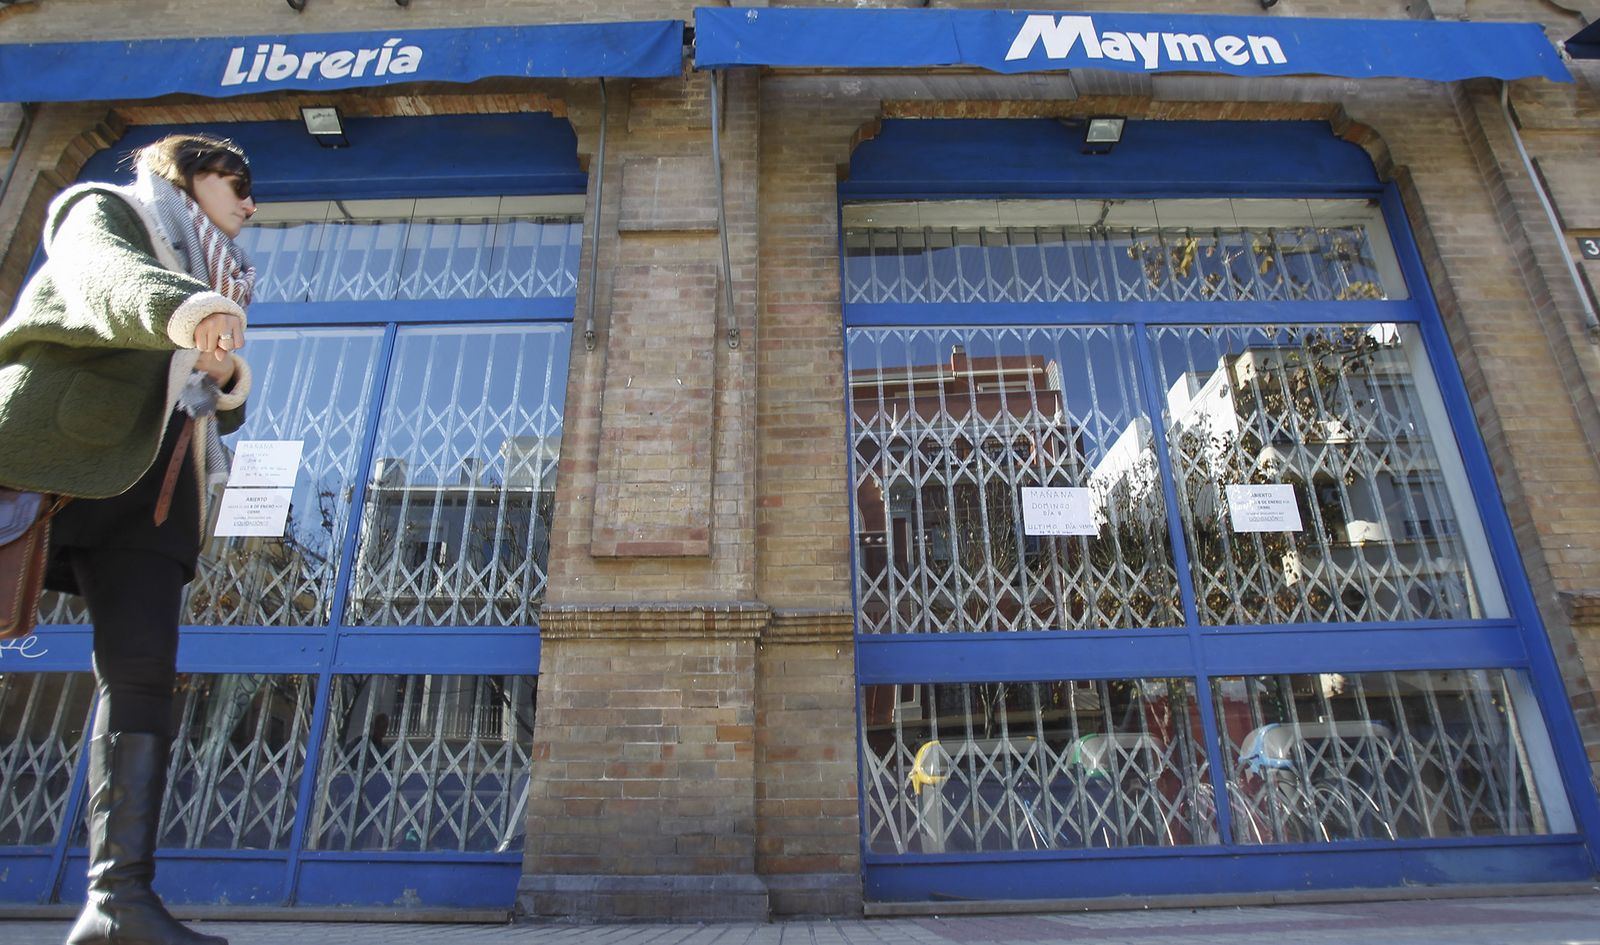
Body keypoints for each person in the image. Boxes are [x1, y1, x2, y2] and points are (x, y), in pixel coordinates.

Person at [0, 133, 257, 945]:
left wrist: (228, 375)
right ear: (188, 174)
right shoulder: (106, 208)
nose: (249, 203)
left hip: (153, 488)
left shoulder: (221, 274)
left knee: (143, 670)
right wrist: (188, 311)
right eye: (237, 183)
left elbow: (219, 397)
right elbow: (101, 280)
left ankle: (117, 903)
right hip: (50, 454)